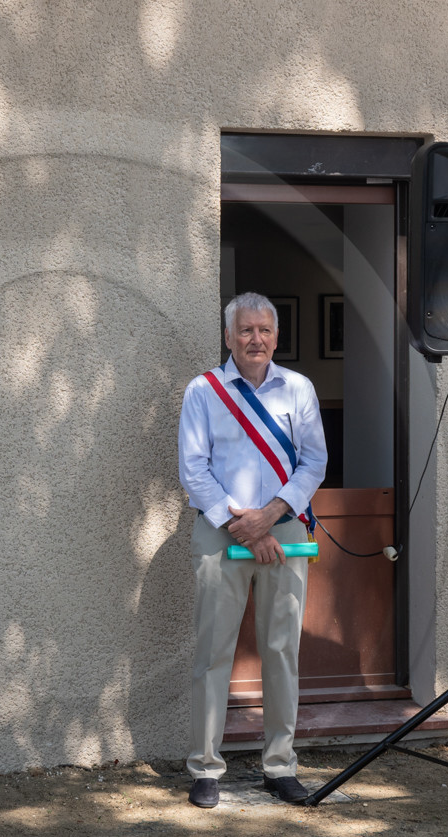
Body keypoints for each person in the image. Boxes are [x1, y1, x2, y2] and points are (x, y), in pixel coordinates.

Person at [177, 291, 327, 808]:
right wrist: (243, 524)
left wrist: (270, 517)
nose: (255, 340)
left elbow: (314, 463)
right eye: (245, 331)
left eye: (264, 330)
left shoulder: (299, 389)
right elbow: (193, 469)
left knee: (282, 651)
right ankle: (205, 768)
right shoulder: (204, 391)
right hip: (222, 530)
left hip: (283, 531)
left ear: (277, 336)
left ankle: (280, 766)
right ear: (228, 337)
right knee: (213, 652)